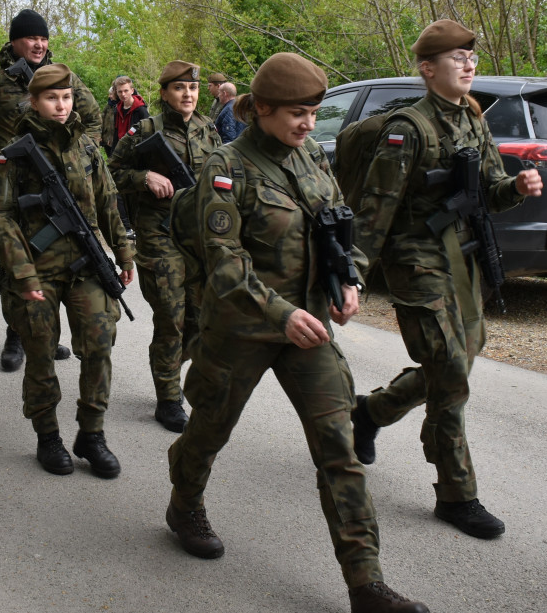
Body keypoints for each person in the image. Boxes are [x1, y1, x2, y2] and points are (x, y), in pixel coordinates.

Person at [165, 52, 429, 613]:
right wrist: (279, 312)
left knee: (339, 448)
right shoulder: (226, 166)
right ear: (261, 109)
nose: (310, 123)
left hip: (306, 328)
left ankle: (365, 582)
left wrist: (349, 278)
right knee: (209, 430)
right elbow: (225, 262)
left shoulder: (311, 156)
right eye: (297, 113)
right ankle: (184, 503)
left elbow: (338, 221)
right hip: (242, 327)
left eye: (313, 112)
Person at [349, 19, 543, 540]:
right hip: (415, 259)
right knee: (451, 373)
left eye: (471, 57)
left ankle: (370, 411)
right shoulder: (407, 129)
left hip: (462, 255)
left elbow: (490, 190)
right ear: (428, 68)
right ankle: (457, 495)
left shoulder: (473, 120)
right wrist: (353, 276)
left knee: (457, 359)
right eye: (457, 58)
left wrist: (518, 187)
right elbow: (374, 210)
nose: (469, 63)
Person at [0, 64, 134, 477]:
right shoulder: (16, 152)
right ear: (34, 101)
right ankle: (48, 436)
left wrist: (123, 252)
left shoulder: (86, 146)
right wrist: (22, 272)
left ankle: (92, 433)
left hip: (85, 267)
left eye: (66, 97)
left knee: (100, 344)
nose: (61, 105)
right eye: (52, 98)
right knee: (41, 353)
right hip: (37, 271)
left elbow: (108, 201)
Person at [0, 8, 101, 371]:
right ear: (14, 41)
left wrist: (82, 157)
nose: (39, 44)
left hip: (61, 188)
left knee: (61, 262)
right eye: (31, 38)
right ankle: (17, 333)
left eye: (43, 38)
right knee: (18, 262)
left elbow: (94, 120)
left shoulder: (65, 78)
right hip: (13, 188)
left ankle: (47, 335)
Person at [108, 61, 222, 432]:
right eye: (179, 88)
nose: (187, 95)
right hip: (160, 237)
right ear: (164, 93)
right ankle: (169, 399)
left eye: (192, 88)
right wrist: (144, 177)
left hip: (198, 239)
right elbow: (110, 174)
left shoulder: (209, 130)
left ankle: (167, 369)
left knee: (198, 322)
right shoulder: (145, 131)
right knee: (171, 321)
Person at [106, 76, 150, 238]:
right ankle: (127, 226)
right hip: (120, 155)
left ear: (132, 90)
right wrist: (113, 155)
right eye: (120, 92)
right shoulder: (117, 108)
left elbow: (147, 137)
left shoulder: (140, 110)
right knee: (118, 190)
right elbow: (117, 133)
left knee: (135, 193)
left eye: (126, 91)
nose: (123, 94)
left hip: (136, 159)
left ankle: (139, 228)